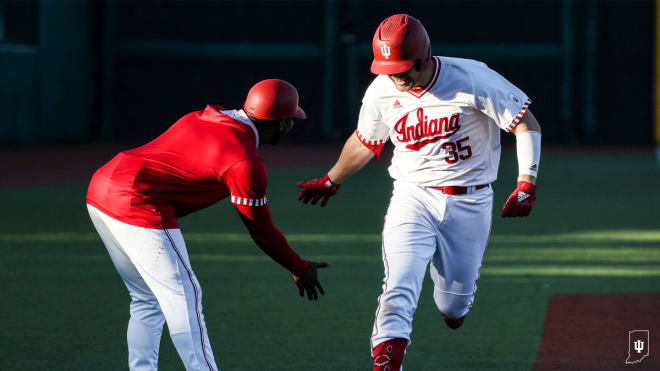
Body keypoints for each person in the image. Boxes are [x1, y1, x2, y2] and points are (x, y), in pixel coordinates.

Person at [297, 14, 541, 371]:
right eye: (388, 67)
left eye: (403, 67)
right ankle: (386, 361)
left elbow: (526, 124)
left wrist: (526, 184)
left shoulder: (471, 77)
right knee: (399, 282)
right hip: (413, 197)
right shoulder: (382, 89)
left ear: (424, 57)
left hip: (471, 200)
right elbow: (367, 141)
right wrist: (333, 179)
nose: (396, 75)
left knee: (452, 307)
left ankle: (455, 307)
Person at [86, 79, 329, 371]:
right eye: (291, 120)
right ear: (281, 124)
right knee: (185, 296)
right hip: (136, 200)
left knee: (147, 300)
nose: (292, 126)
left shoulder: (206, 116)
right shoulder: (244, 163)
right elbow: (261, 230)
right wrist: (298, 266)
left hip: (101, 186)